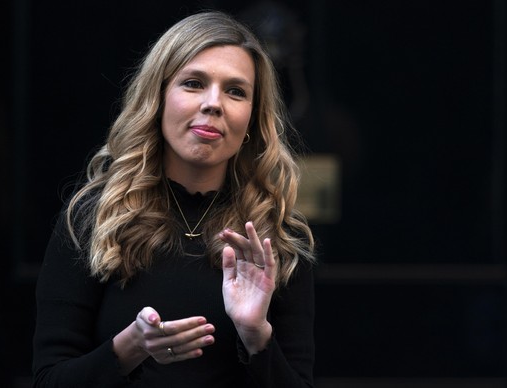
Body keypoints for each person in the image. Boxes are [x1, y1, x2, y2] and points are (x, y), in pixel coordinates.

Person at [31, 9, 317, 388]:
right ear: (158, 98)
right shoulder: (94, 218)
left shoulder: (274, 236)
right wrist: (130, 347)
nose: (214, 103)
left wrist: (255, 335)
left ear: (251, 117)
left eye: (235, 91)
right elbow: (49, 380)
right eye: (194, 83)